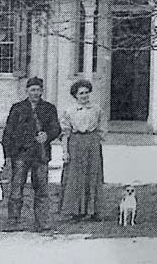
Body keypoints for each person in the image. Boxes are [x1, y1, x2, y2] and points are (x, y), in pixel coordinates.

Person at [2, 76, 61, 231]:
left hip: (40, 154)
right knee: (16, 188)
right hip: (21, 154)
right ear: (27, 90)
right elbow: (9, 131)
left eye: (38, 89)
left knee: (41, 188)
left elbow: (56, 128)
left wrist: (47, 136)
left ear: (42, 91)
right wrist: (8, 155)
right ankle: (13, 221)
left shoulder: (49, 108)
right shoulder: (17, 108)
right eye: (32, 89)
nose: (35, 92)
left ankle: (42, 222)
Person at [59, 79, 107, 221]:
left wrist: (96, 139)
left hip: (92, 142)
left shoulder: (97, 109)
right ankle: (75, 211)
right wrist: (65, 151)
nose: (84, 96)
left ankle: (93, 210)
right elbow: (64, 132)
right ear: (75, 95)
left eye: (86, 93)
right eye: (81, 93)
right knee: (75, 177)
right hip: (75, 143)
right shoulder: (70, 111)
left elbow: (102, 128)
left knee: (93, 175)